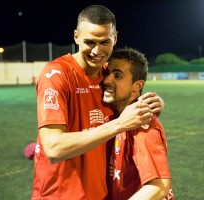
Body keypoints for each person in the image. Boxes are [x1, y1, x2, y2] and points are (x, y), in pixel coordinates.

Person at [31, 5, 164, 200]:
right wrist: (119, 124)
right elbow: (54, 148)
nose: (97, 51)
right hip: (59, 195)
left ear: (115, 39)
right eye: (89, 42)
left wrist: (155, 102)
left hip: (101, 194)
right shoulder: (57, 75)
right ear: (76, 37)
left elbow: (131, 96)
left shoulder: (109, 76)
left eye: (105, 42)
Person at [103, 47, 174, 200]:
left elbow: (158, 186)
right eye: (107, 73)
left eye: (117, 75)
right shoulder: (118, 114)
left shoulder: (143, 124)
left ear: (137, 85)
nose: (107, 80)